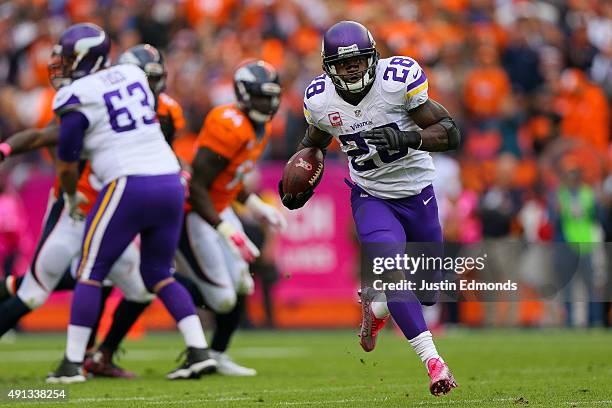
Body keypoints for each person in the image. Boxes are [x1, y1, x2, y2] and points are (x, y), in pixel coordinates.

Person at [279, 21, 460, 396]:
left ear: (372, 58)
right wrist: (299, 177)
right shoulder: (320, 99)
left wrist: (409, 136)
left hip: (418, 194)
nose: (351, 71)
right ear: (329, 67)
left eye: (358, 62)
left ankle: (377, 309)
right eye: (343, 66)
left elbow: (450, 132)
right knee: (394, 275)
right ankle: (434, 363)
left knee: (428, 293)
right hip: (371, 196)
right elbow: (312, 143)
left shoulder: (398, 81)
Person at [44, 23, 214, 383]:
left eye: (68, 54)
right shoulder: (131, 73)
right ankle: (199, 351)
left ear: (84, 57)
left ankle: (72, 363)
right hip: (169, 179)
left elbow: (67, 158)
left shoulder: (75, 94)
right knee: (158, 273)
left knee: (90, 270)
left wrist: (73, 194)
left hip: (127, 181)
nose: (61, 61)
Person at [175, 60, 285, 376]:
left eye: (272, 96)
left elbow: (229, 180)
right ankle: (160, 281)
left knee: (242, 283)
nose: (269, 103)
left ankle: (218, 354)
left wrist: (255, 205)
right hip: (196, 213)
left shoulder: (259, 128)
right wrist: (223, 226)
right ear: (243, 94)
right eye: (262, 96)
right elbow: (197, 185)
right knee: (222, 299)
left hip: (219, 206)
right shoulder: (227, 124)